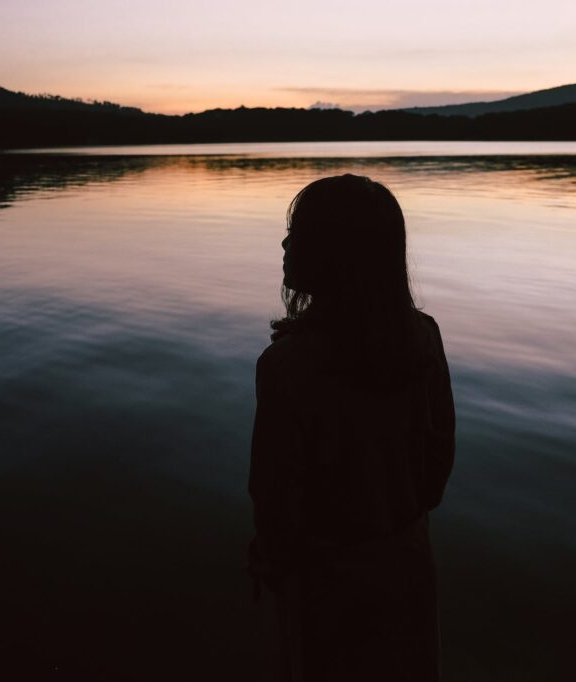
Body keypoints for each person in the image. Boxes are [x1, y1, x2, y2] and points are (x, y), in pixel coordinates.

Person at [248, 174, 456, 681]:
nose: (284, 242)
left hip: (325, 581)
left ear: (333, 251)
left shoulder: (286, 367)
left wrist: (272, 565)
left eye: (298, 231)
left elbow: (276, 499)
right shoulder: (422, 339)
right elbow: (436, 470)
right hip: (408, 562)